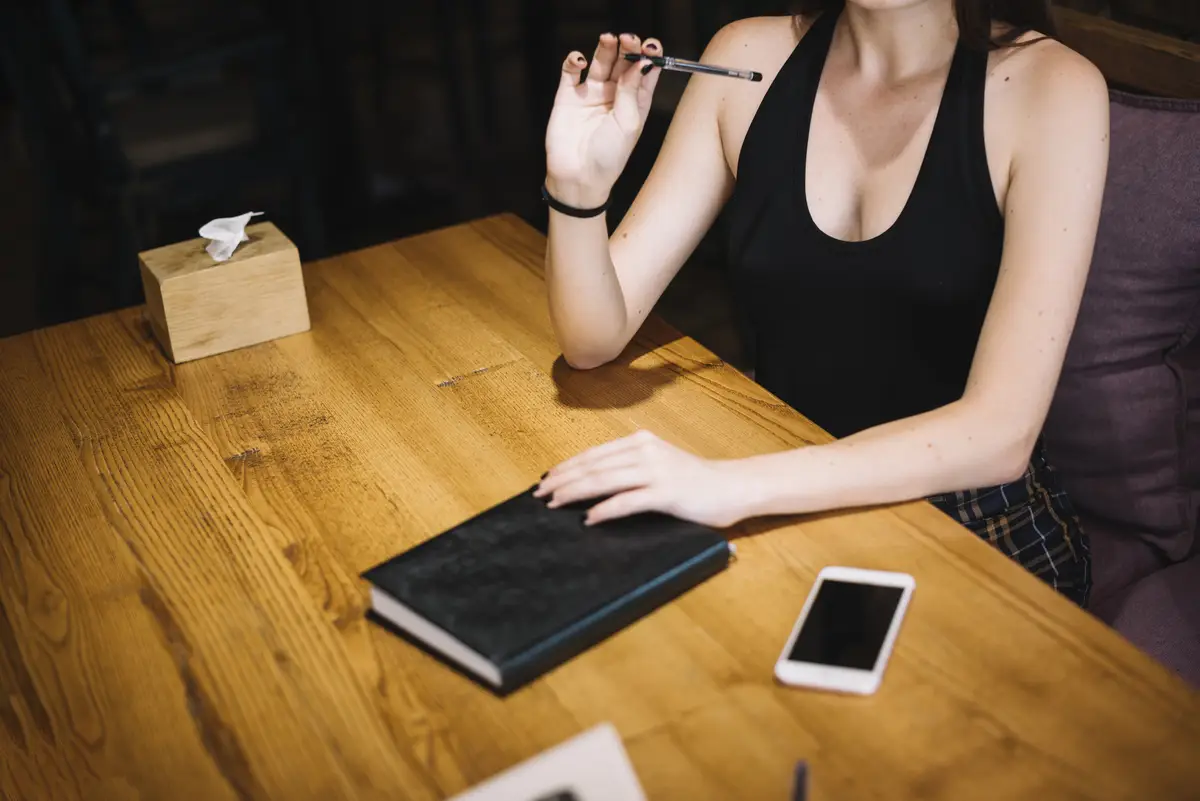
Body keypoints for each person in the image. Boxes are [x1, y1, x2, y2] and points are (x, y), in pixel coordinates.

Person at [533, 0, 1109, 607]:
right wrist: (577, 192)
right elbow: (592, 340)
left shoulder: (1055, 89)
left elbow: (1001, 434)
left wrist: (726, 485)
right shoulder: (745, 58)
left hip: (972, 526)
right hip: (788, 486)